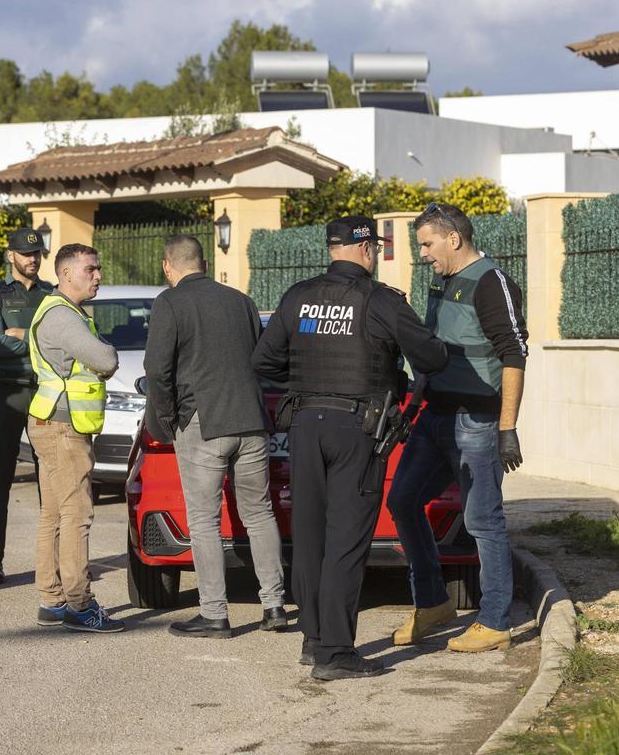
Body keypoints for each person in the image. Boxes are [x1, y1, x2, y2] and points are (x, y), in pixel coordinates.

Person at [253, 216, 448, 680]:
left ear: (331, 249)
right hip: (356, 430)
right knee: (347, 539)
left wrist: (308, 386)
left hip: (303, 425)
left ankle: (314, 639)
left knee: (310, 536)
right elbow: (433, 358)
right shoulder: (380, 301)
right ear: (367, 250)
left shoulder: (298, 297)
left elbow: (263, 362)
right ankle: (337, 653)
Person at [387, 203, 528, 653]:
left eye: (427, 243)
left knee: (483, 520)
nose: (424, 253)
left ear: (453, 238)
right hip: (434, 416)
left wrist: (508, 428)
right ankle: (433, 603)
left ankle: (495, 621)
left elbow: (514, 353)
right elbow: (434, 350)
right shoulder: (440, 280)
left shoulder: (492, 281)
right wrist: (414, 405)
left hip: (477, 421)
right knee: (403, 500)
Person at [143, 235, 286, 639]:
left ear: (168, 266)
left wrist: (170, 418)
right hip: (251, 419)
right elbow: (259, 359)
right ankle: (274, 605)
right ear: (203, 263)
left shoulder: (170, 302)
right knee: (260, 512)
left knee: (204, 521)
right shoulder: (240, 301)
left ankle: (214, 614)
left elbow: (157, 370)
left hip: (203, 420)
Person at [27, 243, 123, 633]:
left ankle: (51, 601)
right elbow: (106, 360)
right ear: (66, 274)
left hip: (51, 422)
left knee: (53, 513)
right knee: (76, 513)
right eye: (90, 269)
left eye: (98, 269)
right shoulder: (64, 317)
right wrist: (108, 350)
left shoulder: (60, 311)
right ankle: (80, 605)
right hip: (64, 428)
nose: (97, 275)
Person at [0, 227, 53, 586]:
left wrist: (22, 335)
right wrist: (39, 340)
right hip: (6, 393)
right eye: (25, 254)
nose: (32, 259)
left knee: (50, 483)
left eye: (36, 254)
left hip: (43, 392)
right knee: (0, 482)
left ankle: (53, 562)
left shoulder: (52, 295)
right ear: (11, 256)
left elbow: (60, 340)